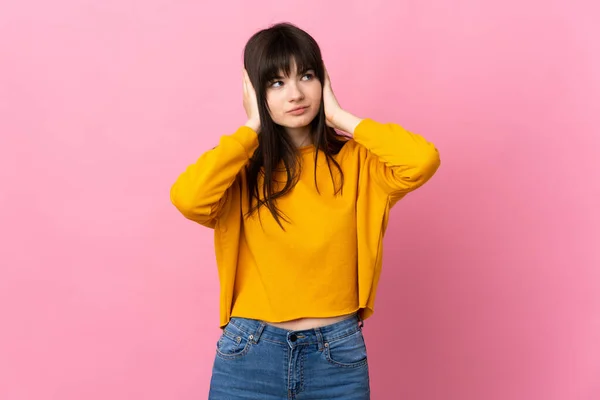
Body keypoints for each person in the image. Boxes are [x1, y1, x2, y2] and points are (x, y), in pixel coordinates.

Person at [170, 22, 440, 400]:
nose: (295, 94)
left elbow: (422, 160)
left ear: (324, 81)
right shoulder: (242, 171)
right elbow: (188, 198)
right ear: (254, 92)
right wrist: (252, 127)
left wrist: (340, 117)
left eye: (307, 76)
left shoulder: (359, 162)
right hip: (250, 353)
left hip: (337, 357)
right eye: (275, 83)